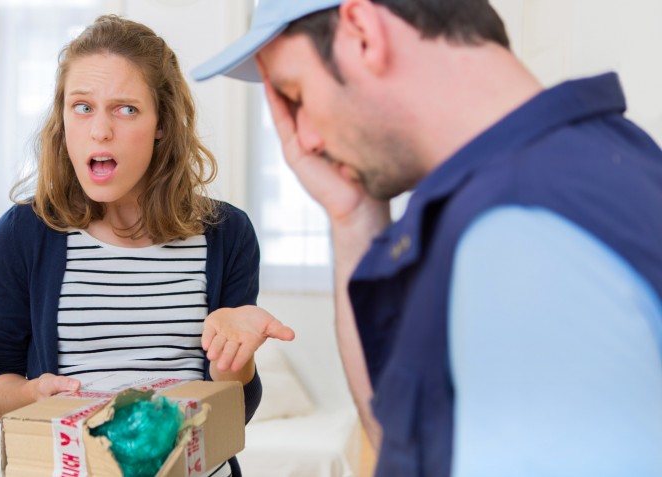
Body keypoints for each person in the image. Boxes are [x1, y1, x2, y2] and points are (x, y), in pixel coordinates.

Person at [193, 0, 662, 476]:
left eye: (296, 94)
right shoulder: (574, 167)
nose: (306, 139)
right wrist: (353, 216)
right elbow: (403, 439)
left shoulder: (519, 231)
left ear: (362, 32)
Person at [0, 14, 294, 477]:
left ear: (162, 124)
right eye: (82, 106)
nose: (100, 130)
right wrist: (32, 395)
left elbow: (235, 409)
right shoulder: (26, 233)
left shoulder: (225, 233)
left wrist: (235, 357)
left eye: (126, 109)